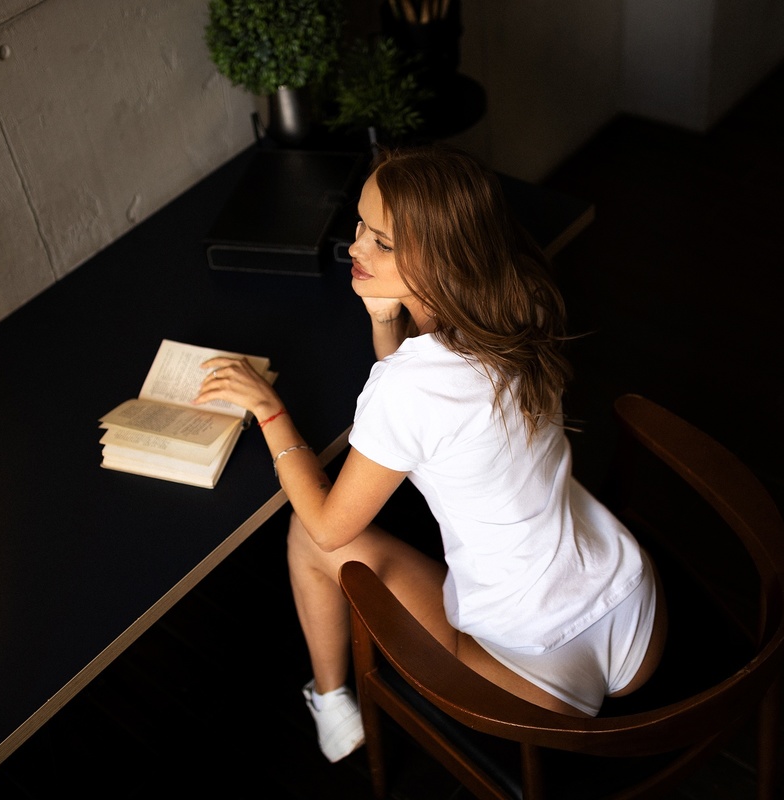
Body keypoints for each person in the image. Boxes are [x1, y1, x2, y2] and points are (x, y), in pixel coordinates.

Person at [194, 144, 666, 763]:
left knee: (306, 538)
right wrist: (384, 319)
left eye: (382, 244)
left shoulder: (409, 391)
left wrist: (272, 413)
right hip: (633, 615)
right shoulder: (521, 304)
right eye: (359, 224)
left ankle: (330, 697)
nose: (355, 248)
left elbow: (332, 526)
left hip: (534, 683)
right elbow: (427, 411)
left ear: (442, 260)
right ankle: (334, 698)